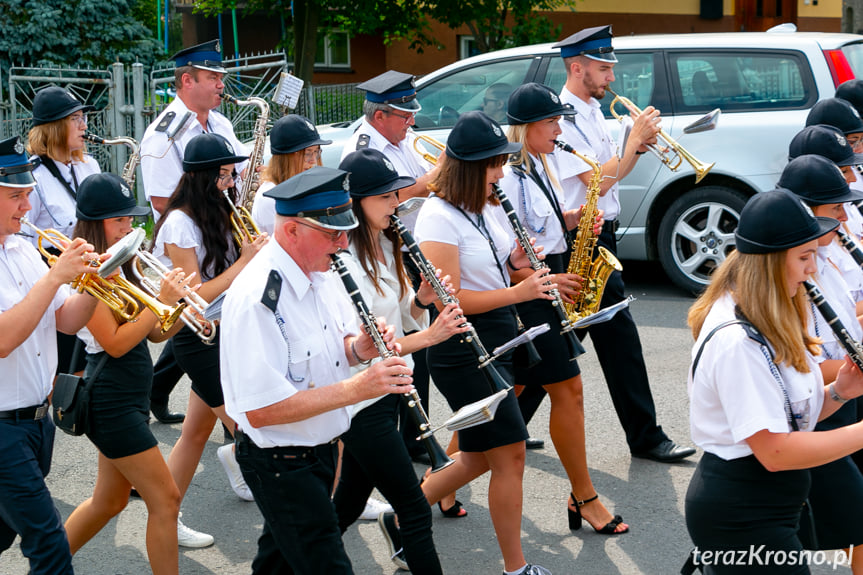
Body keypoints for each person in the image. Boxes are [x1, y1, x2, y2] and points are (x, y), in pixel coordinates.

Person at [220, 165, 414, 574]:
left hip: (320, 451)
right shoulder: (259, 298)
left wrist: (359, 350)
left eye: (346, 230)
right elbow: (261, 410)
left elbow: (333, 349)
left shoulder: (321, 272)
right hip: (280, 461)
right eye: (332, 234)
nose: (344, 243)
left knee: (277, 565)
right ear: (291, 231)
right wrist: (361, 387)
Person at [521, 24, 695, 463]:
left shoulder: (594, 112)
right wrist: (634, 142)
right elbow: (599, 182)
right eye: (603, 69)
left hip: (600, 233)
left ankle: (506, 427)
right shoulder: (563, 119)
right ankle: (647, 437)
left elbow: (609, 173)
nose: (611, 78)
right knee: (618, 340)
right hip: (581, 235)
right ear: (577, 67)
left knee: (558, 342)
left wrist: (636, 145)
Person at [685, 188, 863, 574]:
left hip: (770, 504)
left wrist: (840, 391)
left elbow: (788, 412)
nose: (812, 268)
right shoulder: (737, 340)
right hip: (741, 514)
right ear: (768, 263)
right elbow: (775, 450)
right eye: (804, 257)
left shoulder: (765, 313)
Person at [415, 111, 555, 575]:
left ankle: (403, 517)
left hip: (497, 338)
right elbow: (449, 301)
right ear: (471, 168)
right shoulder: (437, 217)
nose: (501, 173)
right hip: (462, 350)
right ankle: (515, 568)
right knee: (510, 454)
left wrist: (516, 262)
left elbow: (493, 267)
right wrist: (519, 291)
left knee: (476, 456)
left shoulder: (483, 207)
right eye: (495, 165)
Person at [498, 81, 627, 534]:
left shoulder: (543, 162)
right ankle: (585, 497)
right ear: (527, 127)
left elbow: (545, 222)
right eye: (552, 122)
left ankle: (438, 481)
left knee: (508, 394)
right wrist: (543, 280)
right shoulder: (509, 176)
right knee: (567, 390)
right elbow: (500, 254)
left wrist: (575, 219)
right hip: (528, 286)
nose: (559, 129)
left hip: (546, 275)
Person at [333, 149, 467, 572]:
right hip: (360, 398)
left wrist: (423, 298)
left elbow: (398, 314)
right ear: (356, 203)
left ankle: (280, 563)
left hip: (389, 389)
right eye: (386, 198)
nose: (397, 204)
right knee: (413, 505)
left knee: (347, 503)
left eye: (395, 195)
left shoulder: (386, 244)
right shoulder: (344, 262)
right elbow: (366, 341)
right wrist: (430, 336)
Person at [62, 173, 186, 574]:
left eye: (131, 220)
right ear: (98, 224)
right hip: (110, 395)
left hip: (127, 392)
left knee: (109, 502)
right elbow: (114, 342)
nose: (130, 229)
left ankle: (47, 564)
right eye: (121, 221)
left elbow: (153, 333)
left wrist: (181, 306)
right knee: (166, 500)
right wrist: (159, 302)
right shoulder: (90, 273)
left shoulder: (123, 266)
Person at [152, 132, 267, 546]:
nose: (232, 183)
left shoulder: (222, 211)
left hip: (230, 328)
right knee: (253, 429)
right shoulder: (180, 222)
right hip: (199, 336)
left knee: (195, 433)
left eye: (232, 174)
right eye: (224, 175)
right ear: (203, 178)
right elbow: (192, 295)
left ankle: (166, 515)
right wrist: (245, 264)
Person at [0, 136, 102, 574]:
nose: (26, 205)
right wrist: (57, 274)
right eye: (15, 196)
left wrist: (99, 280)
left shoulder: (23, 248)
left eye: (27, 194)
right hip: (2, 430)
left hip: (38, 423)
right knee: (49, 545)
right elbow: (4, 338)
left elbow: (67, 320)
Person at [140, 39, 248, 427]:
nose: (222, 84)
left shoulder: (220, 123)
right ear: (187, 80)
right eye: (213, 77)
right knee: (197, 314)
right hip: (193, 238)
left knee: (206, 322)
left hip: (219, 234)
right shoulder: (163, 133)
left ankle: (163, 388)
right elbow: (161, 201)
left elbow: (241, 174)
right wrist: (211, 221)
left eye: (221, 77)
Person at [341, 70, 441, 464]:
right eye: (403, 114)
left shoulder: (403, 140)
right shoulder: (365, 149)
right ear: (379, 115)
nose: (411, 120)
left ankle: (415, 435)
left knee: (407, 323)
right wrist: (429, 182)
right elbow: (391, 195)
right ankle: (409, 437)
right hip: (384, 248)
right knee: (388, 335)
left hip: (402, 246)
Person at [776, 155, 863, 574]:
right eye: (835, 209)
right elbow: (802, 369)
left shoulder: (823, 262)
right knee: (855, 520)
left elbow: (846, 331)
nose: (845, 216)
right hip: (816, 415)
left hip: (843, 397)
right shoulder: (794, 277)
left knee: (851, 520)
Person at [24, 86, 99, 376]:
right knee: (68, 367)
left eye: (83, 117)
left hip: (91, 270)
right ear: (54, 127)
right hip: (55, 276)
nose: (84, 125)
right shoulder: (33, 176)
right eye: (75, 119)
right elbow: (22, 240)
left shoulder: (89, 165)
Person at [251, 114, 331, 236]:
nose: (313, 160)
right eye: (307, 153)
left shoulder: (304, 186)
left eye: (316, 152)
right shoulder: (269, 198)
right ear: (286, 158)